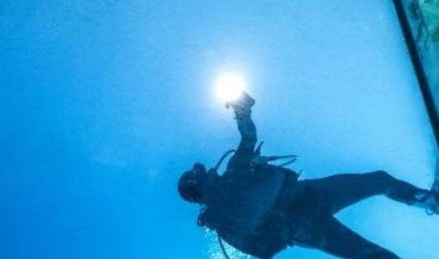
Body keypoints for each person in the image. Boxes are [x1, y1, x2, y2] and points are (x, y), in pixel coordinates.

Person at [177, 92, 439, 259]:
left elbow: (247, 137)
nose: (205, 172)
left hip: (307, 200)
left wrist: (242, 112)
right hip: (303, 216)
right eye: (199, 175)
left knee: (376, 199)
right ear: (197, 186)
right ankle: (427, 200)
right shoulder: (222, 217)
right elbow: (262, 250)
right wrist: (243, 112)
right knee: (376, 202)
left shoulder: (231, 183)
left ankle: (429, 200)